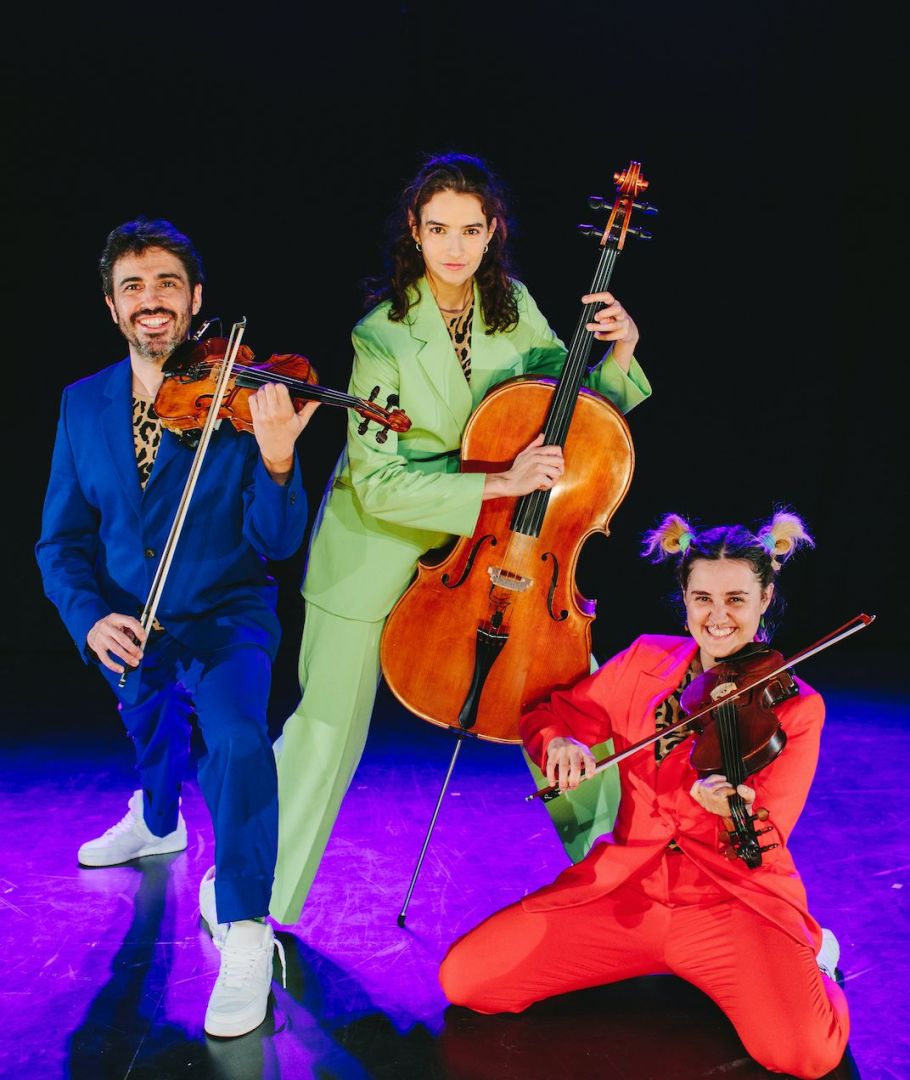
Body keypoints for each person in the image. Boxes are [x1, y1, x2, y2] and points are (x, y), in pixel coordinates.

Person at [268, 153, 652, 925]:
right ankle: (256, 899)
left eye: (470, 230)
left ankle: (627, 881)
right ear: (414, 231)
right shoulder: (381, 333)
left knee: (569, 706)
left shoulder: (513, 305)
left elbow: (568, 408)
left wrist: (619, 352)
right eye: (438, 229)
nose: (454, 247)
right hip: (377, 540)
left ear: (492, 231)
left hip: (493, 548)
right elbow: (379, 482)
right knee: (325, 733)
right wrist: (501, 482)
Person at [438, 510, 849, 1079]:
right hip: (627, 892)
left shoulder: (796, 707)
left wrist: (732, 809)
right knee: (467, 980)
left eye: (736, 599)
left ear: (764, 598)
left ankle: (815, 956)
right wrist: (561, 743)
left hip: (731, 903)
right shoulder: (644, 662)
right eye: (703, 599)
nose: (718, 617)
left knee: (806, 1054)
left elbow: (768, 831)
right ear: (685, 600)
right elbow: (554, 714)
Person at [35, 219, 318, 1038]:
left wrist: (277, 461)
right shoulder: (82, 403)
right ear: (111, 305)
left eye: (166, 283)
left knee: (235, 741)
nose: (150, 300)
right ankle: (158, 820)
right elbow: (61, 541)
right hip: (131, 615)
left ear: (196, 299)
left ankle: (245, 926)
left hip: (227, 611)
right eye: (133, 286)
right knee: (148, 724)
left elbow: (276, 542)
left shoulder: (245, 394)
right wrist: (91, 618)